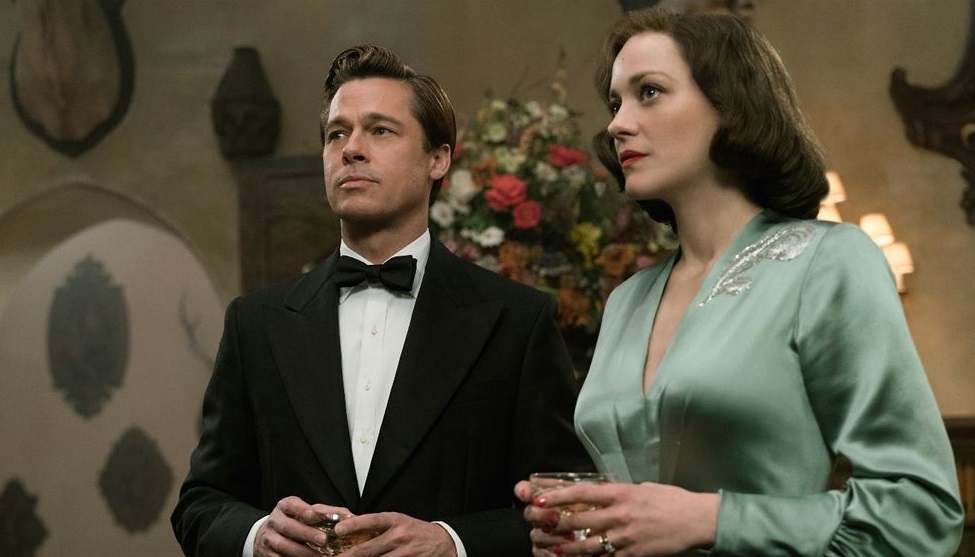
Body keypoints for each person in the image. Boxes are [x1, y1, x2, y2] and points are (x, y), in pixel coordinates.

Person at [514, 7, 965, 556]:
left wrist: (713, 519)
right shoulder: (627, 300)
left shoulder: (828, 261)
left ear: (731, 105)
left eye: (649, 92)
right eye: (615, 103)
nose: (616, 124)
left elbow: (920, 513)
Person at [171, 44, 592, 557]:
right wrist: (256, 535)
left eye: (380, 130)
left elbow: (563, 510)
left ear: (438, 159)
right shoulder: (255, 323)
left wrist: (453, 542)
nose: (351, 148)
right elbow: (200, 503)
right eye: (337, 133)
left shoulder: (517, 321)